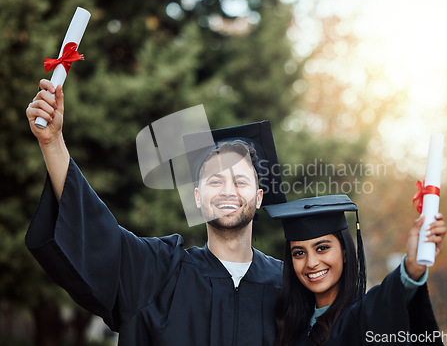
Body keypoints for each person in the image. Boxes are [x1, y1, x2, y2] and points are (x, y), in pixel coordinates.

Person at [25, 79, 287, 346]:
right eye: (215, 181)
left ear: (259, 197)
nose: (228, 191)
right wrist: (53, 142)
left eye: (241, 182)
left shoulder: (288, 285)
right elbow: (95, 231)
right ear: (197, 197)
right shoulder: (158, 273)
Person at [264, 194, 447, 346]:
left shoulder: (362, 317)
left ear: (344, 252)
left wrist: (412, 268)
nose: (311, 263)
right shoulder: (288, 325)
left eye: (322, 248)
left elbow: (387, 301)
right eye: (299, 253)